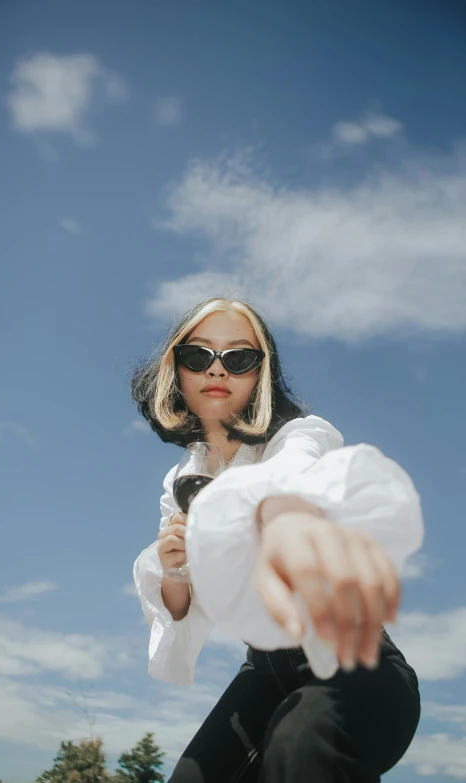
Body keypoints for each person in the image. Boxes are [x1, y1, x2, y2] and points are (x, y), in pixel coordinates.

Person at [130, 297, 423, 782]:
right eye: (199, 355)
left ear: (261, 374)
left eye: (239, 357)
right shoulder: (180, 480)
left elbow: (292, 479)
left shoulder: (300, 437)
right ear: (176, 370)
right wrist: (177, 566)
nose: (217, 370)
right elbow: (178, 608)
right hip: (266, 672)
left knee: (300, 748)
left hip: (357, 665)